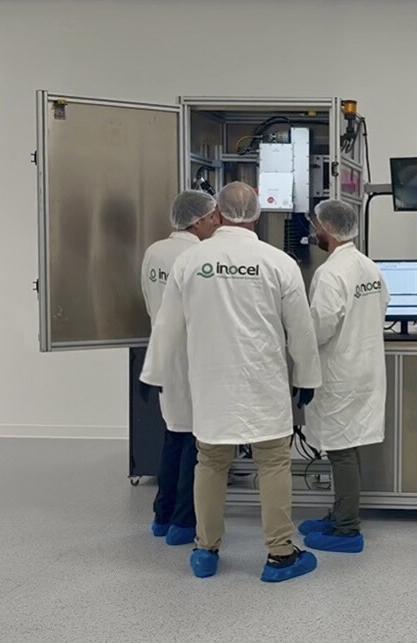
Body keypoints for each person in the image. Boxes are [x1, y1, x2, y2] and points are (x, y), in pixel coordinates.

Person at [140, 182, 323, 582]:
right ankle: (280, 555)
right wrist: (308, 377)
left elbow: (168, 324)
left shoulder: (191, 261)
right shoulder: (278, 261)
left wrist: (153, 374)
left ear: (218, 215)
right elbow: (301, 330)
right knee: (273, 463)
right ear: (256, 216)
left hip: (211, 382)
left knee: (210, 463)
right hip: (264, 381)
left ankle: (206, 551)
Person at [298, 200, 390, 553]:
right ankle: (340, 513)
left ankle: (347, 530)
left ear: (329, 230)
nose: (314, 232)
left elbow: (320, 325)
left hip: (340, 373)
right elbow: (382, 306)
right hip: (363, 368)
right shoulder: (368, 266)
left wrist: (295, 339)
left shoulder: (330, 273)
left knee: (340, 450)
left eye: (317, 226)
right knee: (348, 445)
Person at [140, 190, 219, 546]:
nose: (218, 222)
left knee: (173, 434)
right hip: (193, 356)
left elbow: (150, 303)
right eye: (214, 216)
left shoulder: (154, 251)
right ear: (198, 221)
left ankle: (162, 515)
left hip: (163, 354)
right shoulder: (198, 256)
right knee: (194, 442)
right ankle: (184, 524)